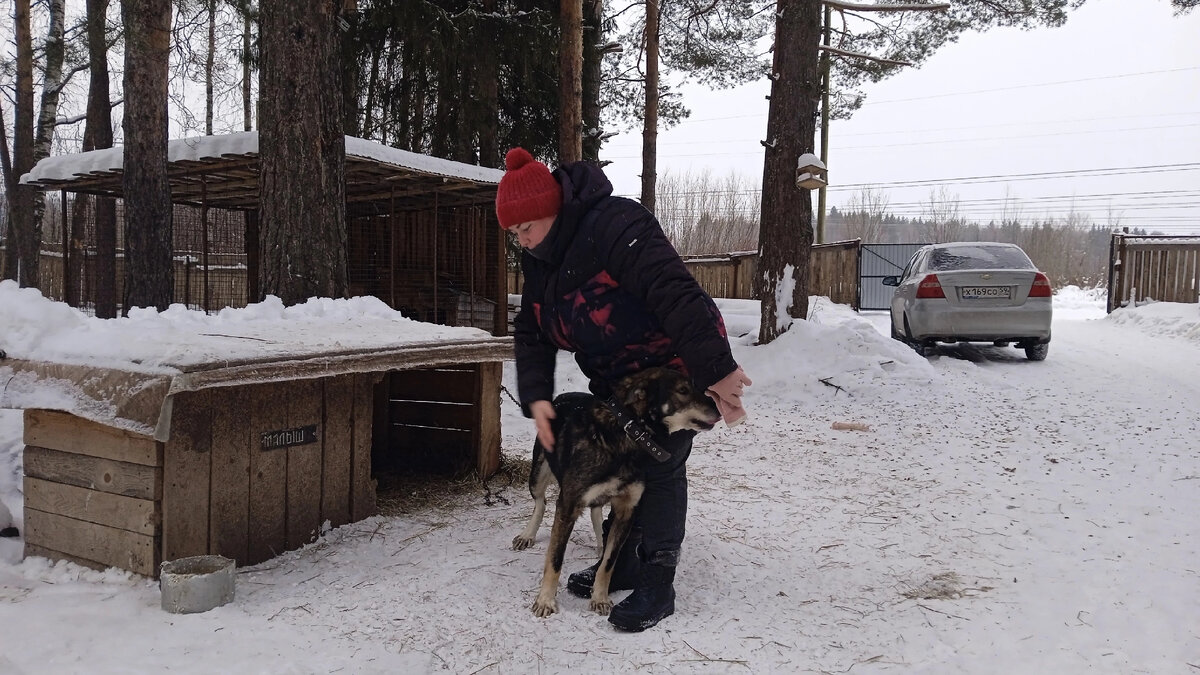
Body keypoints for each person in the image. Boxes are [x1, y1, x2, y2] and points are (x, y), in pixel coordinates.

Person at [497, 147, 752, 632]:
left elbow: (672, 289)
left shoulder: (613, 224)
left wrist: (715, 368)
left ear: (551, 208)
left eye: (526, 227)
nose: (522, 241)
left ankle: (658, 577)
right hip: (620, 377)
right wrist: (538, 397)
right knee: (623, 461)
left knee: (661, 460)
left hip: (677, 360)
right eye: (513, 234)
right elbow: (531, 330)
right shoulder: (541, 263)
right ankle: (627, 561)